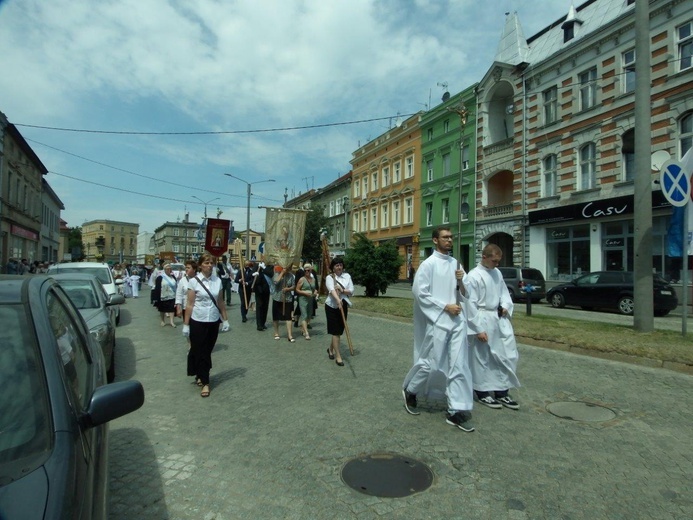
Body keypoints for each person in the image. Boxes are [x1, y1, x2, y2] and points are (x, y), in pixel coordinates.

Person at [401, 226, 475, 432]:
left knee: (459, 365)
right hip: (439, 321)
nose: (449, 240)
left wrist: (461, 282)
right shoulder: (428, 265)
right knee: (432, 364)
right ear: (435, 240)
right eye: (445, 237)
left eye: (451, 237)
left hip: (458, 321)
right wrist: (444, 306)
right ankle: (411, 390)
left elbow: (467, 293)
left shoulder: (456, 264)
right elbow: (420, 292)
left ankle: (456, 410)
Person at [465, 244, 521, 410]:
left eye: (498, 261)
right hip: (482, 318)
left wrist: (505, 306)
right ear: (484, 257)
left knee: (506, 355)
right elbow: (471, 303)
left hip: (498, 318)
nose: (497, 264)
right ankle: (482, 391)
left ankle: (502, 391)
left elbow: (504, 293)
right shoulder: (473, 276)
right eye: (494, 260)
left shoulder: (497, 273)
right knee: (483, 357)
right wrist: (477, 329)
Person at [182, 254, 229, 398]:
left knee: (207, 349)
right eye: (207, 263)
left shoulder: (217, 281)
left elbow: (220, 301)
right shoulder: (194, 282)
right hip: (198, 319)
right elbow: (190, 304)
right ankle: (206, 382)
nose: (210, 265)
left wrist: (225, 319)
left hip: (213, 320)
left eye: (212, 263)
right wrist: (186, 324)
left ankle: (199, 373)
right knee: (201, 350)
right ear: (201, 265)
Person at [324, 257, 354, 366]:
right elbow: (331, 290)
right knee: (335, 331)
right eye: (337, 265)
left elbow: (351, 291)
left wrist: (342, 290)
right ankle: (338, 356)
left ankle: (330, 349)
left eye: (341, 265)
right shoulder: (329, 277)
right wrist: (337, 300)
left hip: (343, 305)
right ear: (333, 267)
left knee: (339, 331)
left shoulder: (347, 276)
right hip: (331, 306)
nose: (339, 267)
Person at [271, 265, 296, 342]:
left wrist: (288, 289)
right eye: (288, 267)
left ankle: (290, 335)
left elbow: (294, 286)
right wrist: (282, 273)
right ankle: (276, 333)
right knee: (276, 317)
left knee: (288, 317)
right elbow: (275, 282)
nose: (289, 269)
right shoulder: (277, 274)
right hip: (277, 298)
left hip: (287, 298)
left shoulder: (291, 276)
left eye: (289, 268)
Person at [295, 263, 319, 340]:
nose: (307, 272)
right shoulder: (302, 279)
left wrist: (315, 292)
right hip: (303, 299)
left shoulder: (313, 279)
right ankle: (306, 333)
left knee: (309, 315)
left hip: (310, 299)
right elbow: (297, 289)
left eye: (308, 270)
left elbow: (314, 289)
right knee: (304, 315)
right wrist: (304, 293)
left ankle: (303, 329)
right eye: (305, 271)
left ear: (311, 270)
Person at [252, 262, 271, 331]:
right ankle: (259, 325)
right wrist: (254, 274)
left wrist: (264, 268)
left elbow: (271, 274)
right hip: (259, 290)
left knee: (265, 307)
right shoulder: (257, 266)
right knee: (259, 306)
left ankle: (263, 323)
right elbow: (252, 274)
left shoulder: (269, 266)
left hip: (267, 290)